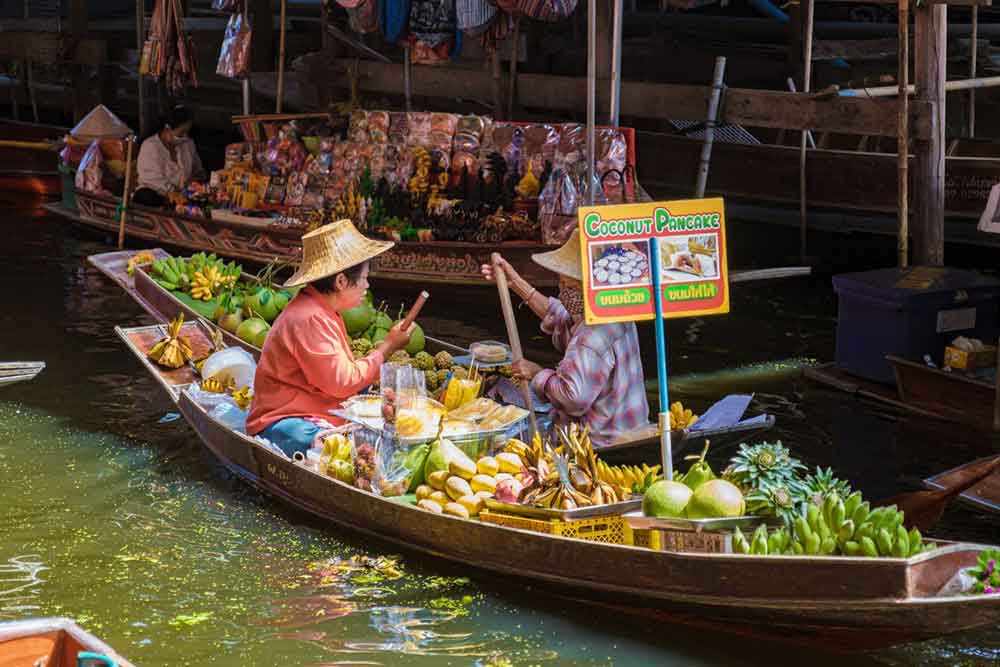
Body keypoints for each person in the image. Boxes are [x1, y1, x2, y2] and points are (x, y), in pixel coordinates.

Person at [246, 219, 416, 457]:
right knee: (336, 448)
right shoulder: (310, 317)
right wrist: (388, 347)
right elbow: (342, 382)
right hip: (283, 419)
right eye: (365, 278)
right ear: (341, 281)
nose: (367, 285)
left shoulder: (321, 309)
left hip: (319, 405)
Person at [481, 229, 648, 447]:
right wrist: (515, 283)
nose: (562, 290)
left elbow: (572, 399)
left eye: (568, 286)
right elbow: (561, 316)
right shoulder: (615, 309)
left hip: (599, 443)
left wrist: (537, 373)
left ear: (586, 289)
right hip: (631, 426)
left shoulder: (591, 337)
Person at [133, 104, 205, 207]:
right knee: (146, 197)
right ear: (167, 128)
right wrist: (172, 192)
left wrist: (195, 184)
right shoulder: (150, 147)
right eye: (182, 132)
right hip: (155, 196)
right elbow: (151, 179)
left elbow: (198, 171)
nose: (185, 136)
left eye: (187, 132)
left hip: (184, 196)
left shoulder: (188, 143)